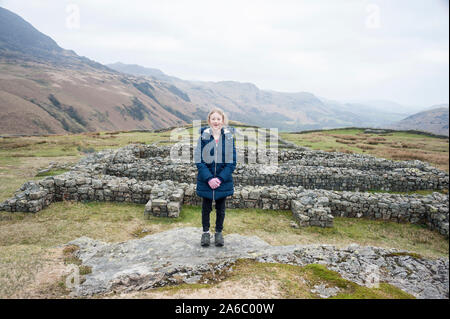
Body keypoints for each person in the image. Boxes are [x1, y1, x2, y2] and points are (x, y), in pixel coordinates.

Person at [194, 108, 237, 247]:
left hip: (222, 181)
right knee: (206, 208)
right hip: (206, 181)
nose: (216, 121)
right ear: (209, 121)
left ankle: (219, 233)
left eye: (218, 119)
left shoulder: (229, 138)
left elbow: (232, 162)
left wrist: (219, 179)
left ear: (222, 121)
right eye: (213, 119)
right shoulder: (203, 138)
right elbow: (199, 160)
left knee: (221, 209)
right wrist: (209, 179)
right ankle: (205, 233)